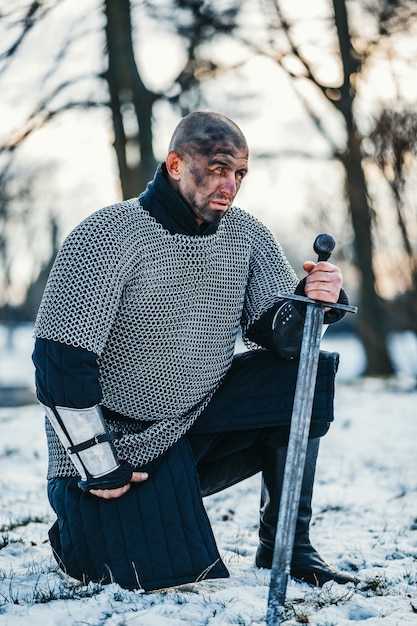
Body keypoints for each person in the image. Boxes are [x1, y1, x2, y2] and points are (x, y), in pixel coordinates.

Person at [32, 111, 358, 592]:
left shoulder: (246, 234)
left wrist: (315, 301)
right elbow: (59, 365)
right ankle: (81, 531)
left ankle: (287, 547)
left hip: (197, 420)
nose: (231, 184)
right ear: (176, 165)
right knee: (156, 574)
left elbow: (283, 339)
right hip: (115, 446)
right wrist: (100, 468)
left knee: (303, 376)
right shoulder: (105, 235)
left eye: (240, 173)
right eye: (219, 168)